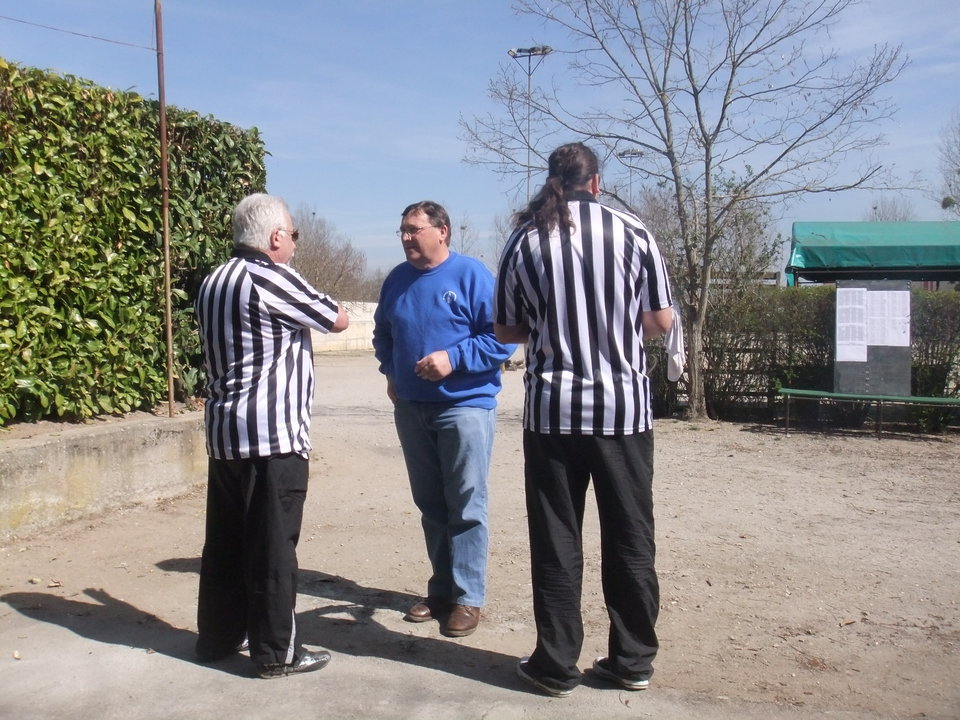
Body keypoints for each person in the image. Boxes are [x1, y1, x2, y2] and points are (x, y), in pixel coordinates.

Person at [494, 143, 674, 697]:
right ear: (596, 182)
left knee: (557, 538)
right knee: (630, 535)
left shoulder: (524, 240)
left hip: (553, 413)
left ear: (552, 182)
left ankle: (555, 664)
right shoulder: (634, 232)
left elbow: (506, 330)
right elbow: (661, 320)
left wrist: (550, 326)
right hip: (623, 411)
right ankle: (632, 659)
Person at [194, 193, 349, 678]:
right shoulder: (271, 277)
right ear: (276, 237)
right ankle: (276, 652)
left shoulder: (214, 280)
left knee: (225, 541)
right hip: (272, 435)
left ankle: (218, 637)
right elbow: (336, 317)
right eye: (293, 235)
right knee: (273, 546)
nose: (295, 244)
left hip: (225, 432)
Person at [373, 200, 516, 638]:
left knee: (466, 504)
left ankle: (468, 598)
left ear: (443, 231)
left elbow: (503, 337)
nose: (406, 237)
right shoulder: (397, 280)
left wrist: (453, 359)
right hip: (412, 409)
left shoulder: (472, 275)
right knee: (431, 504)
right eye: (402, 230)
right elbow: (383, 333)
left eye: (414, 229)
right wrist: (391, 372)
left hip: (464, 407)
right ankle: (442, 590)